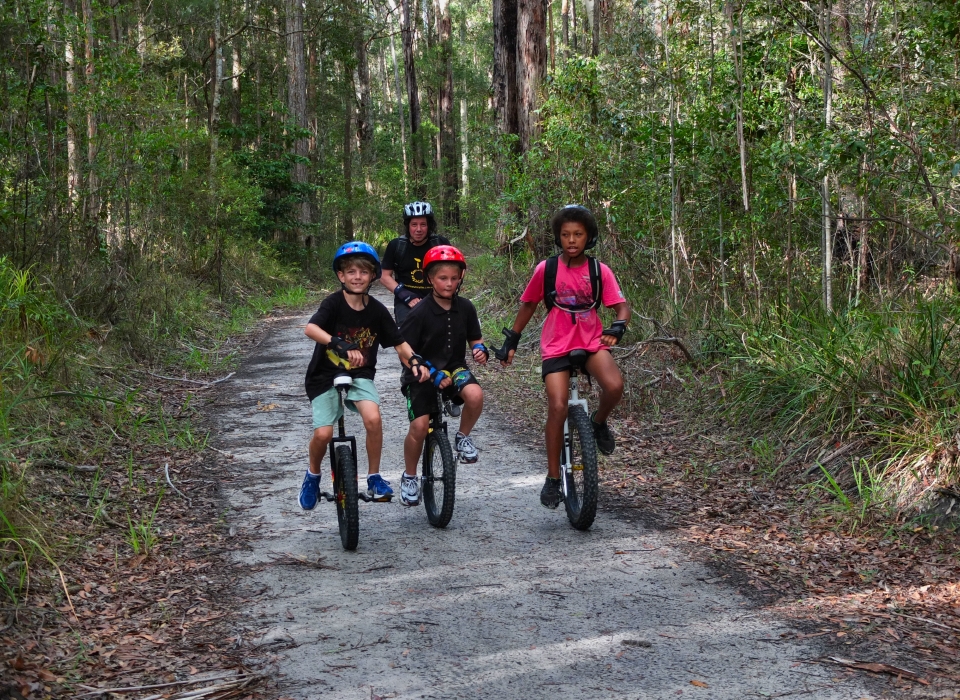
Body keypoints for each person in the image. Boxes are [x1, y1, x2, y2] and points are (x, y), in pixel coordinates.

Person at [497, 205, 630, 510]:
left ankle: (597, 423)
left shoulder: (599, 271)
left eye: (578, 234)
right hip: (557, 344)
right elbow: (529, 305)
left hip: (592, 340)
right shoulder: (547, 269)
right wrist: (512, 340)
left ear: (589, 237)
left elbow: (621, 307)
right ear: (558, 238)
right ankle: (553, 478)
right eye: (566, 235)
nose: (572, 240)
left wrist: (618, 327)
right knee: (557, 406)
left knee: (614, 386)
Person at [299, 241, 422, 509]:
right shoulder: (333, 303)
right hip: (324, 375)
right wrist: (338, 343)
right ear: (341, 276)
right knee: (323, 433)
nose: (357, 277)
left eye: (364, 272)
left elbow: (399, 342)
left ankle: (374, 476)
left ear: (373, 276)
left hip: (360, 374)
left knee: (373, 418)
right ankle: (312, 475)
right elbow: (310, 329)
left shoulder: (377, 310)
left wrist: (414, 362)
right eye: (351, 272)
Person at [397, 245, 488, 507]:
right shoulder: (419, 313)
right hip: (421, 373)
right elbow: (404, 352)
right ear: (429, 279)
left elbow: (475, 339)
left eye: (454, 278)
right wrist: (429, 372)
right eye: (442, 278)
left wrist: (480, 351)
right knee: (419, 426)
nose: (449, 284)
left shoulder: (466, 307)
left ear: (461, 278)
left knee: (475, 395)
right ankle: (410, 476)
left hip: (455, 367)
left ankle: (463, 437)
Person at [379, 201, 451, 325]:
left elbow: (456, 271)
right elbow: (384, 276)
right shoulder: (397, 246)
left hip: (437, 297)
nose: (418, 229)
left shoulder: (440, 244)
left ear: (429, 226)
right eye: (414, 224)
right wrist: (404, 294)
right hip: (406, 299)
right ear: (408, 226)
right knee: (408, 333)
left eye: (423, 224)